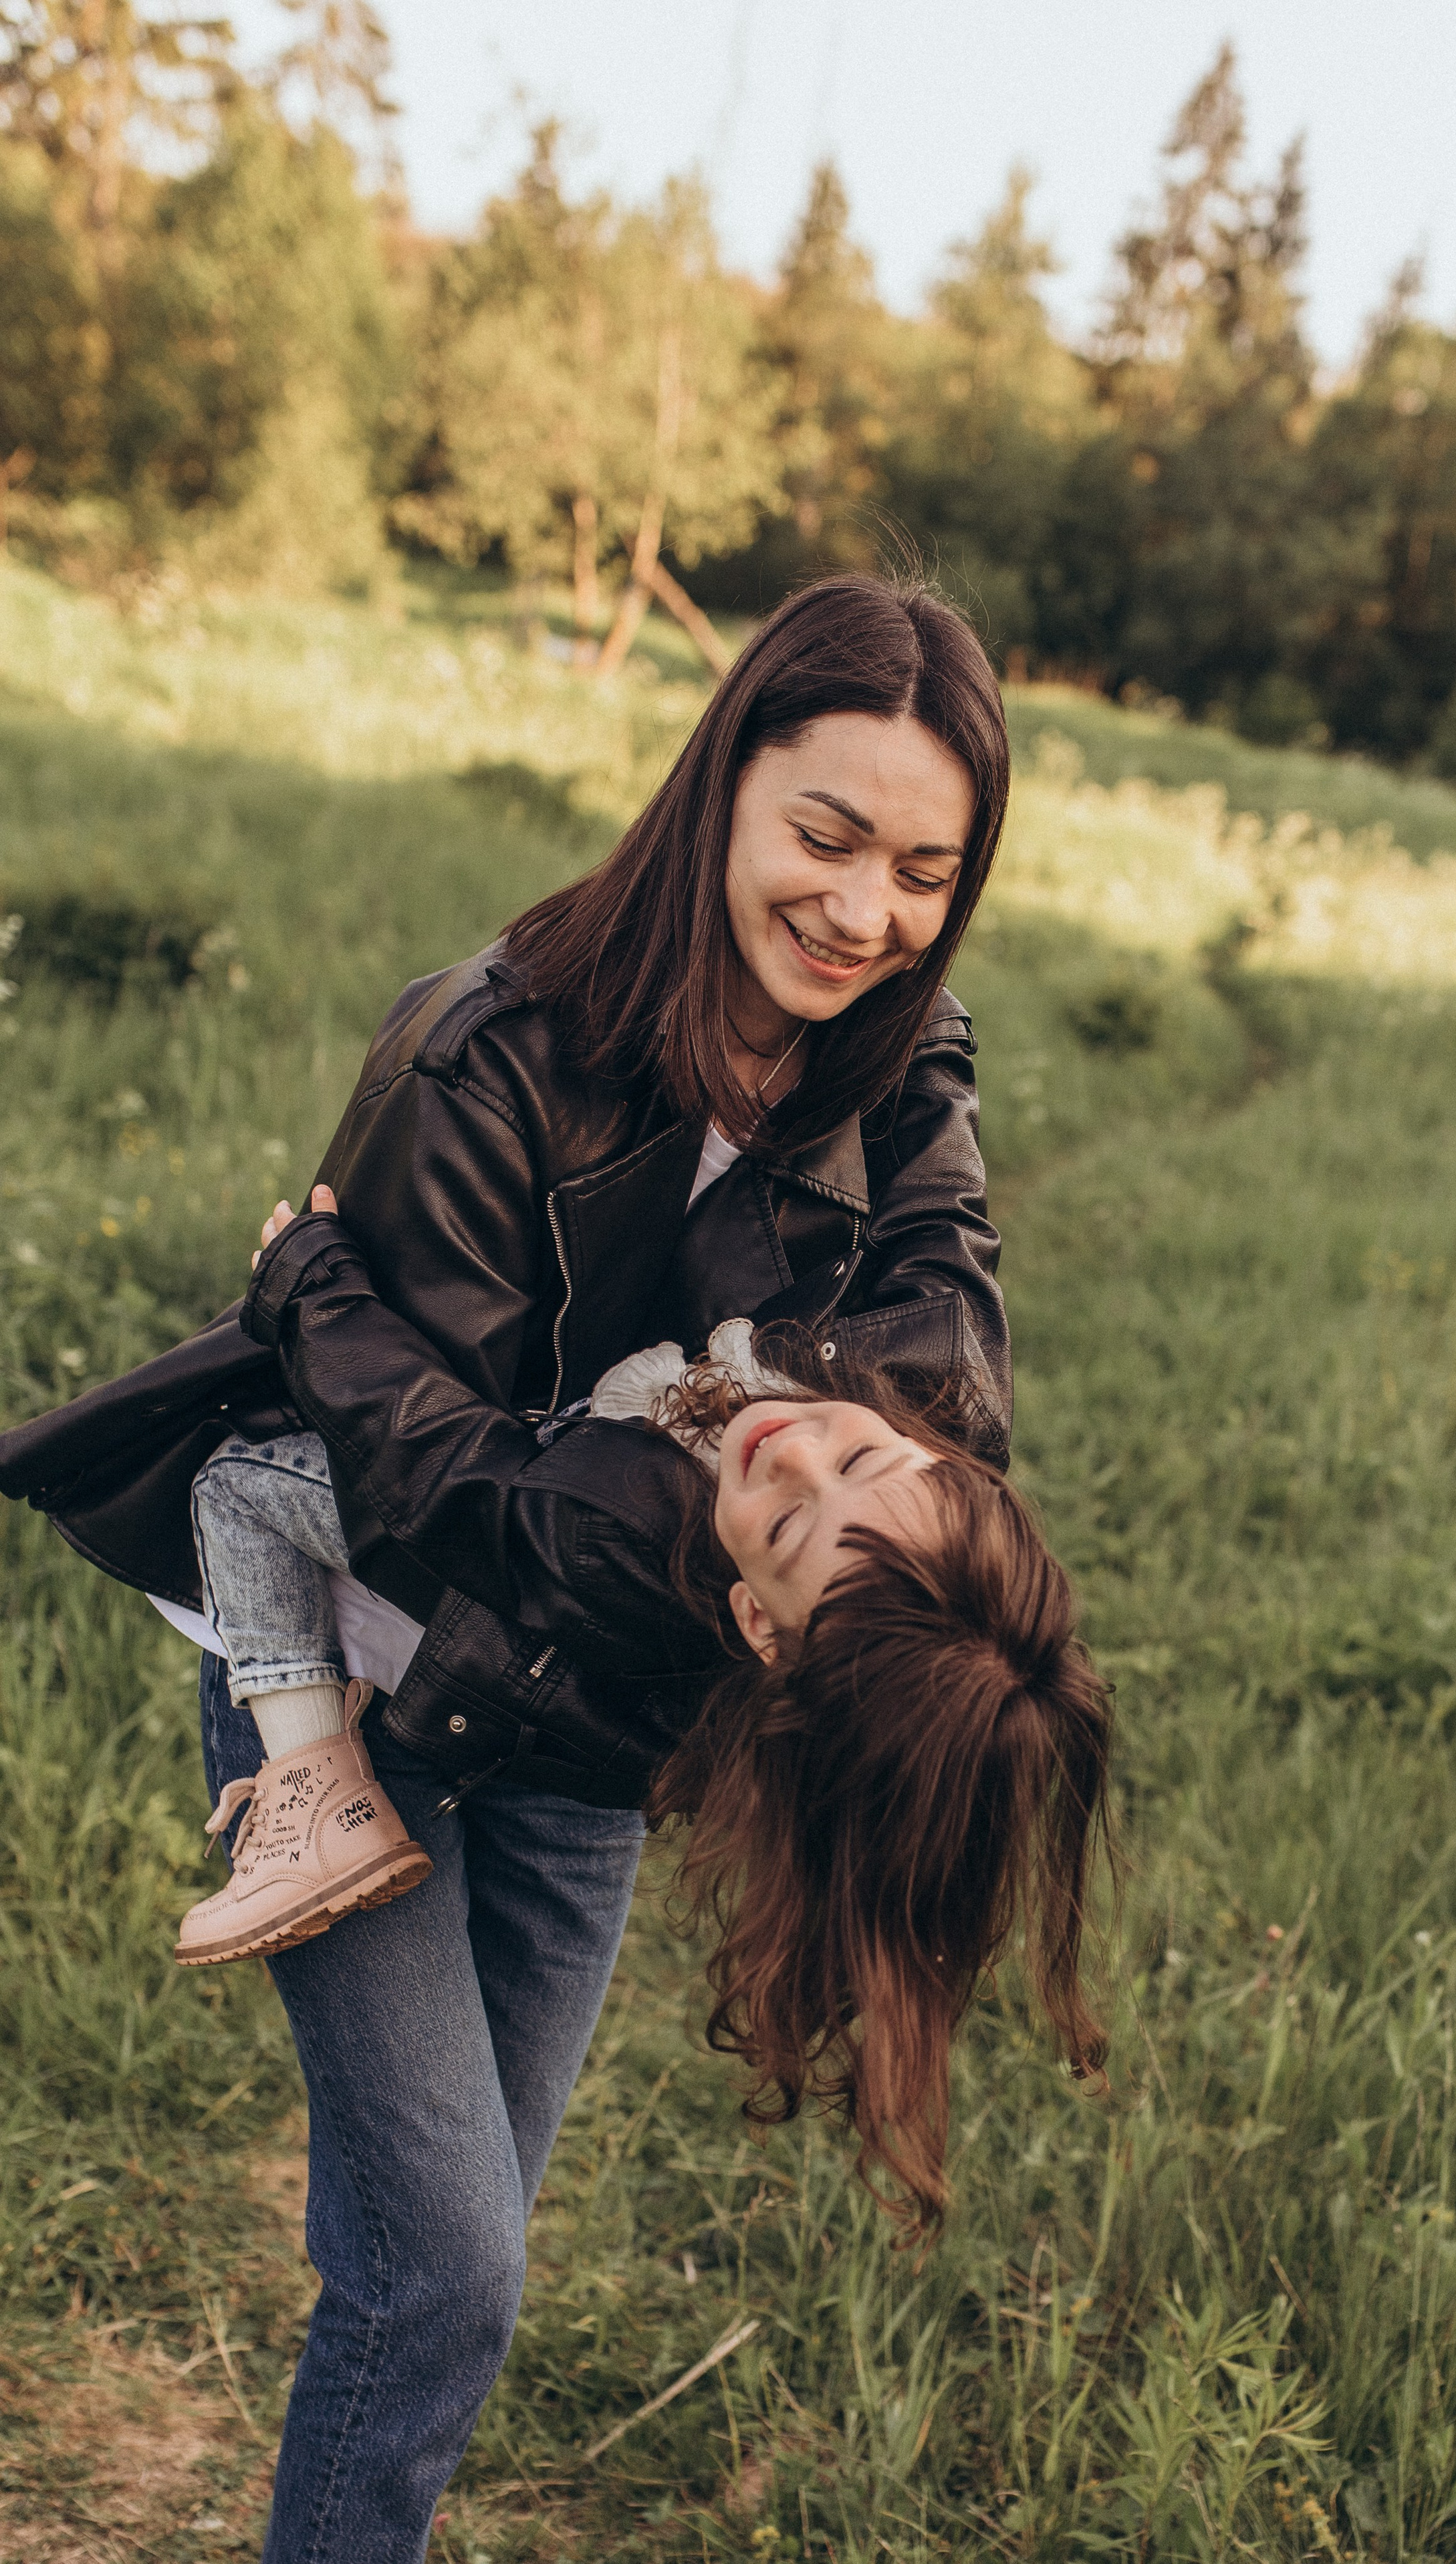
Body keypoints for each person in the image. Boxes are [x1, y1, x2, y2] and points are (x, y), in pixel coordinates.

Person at [0, 578, 1023, 2562]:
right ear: (724, 778)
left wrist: (824, 1452)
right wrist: (754, 1503)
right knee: (447, 2278)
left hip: (594, 1741)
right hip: (375, 1679)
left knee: (452, 2236)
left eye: (923, 869)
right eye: (824, 836)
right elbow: (422, 1481)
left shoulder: (907, 1052)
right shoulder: (492, 1050)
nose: (863, 912)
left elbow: (954, 1359)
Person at [198, 1187, 1110, 2258]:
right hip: (455, 1679)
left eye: (785, 1524)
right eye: (861, 1462)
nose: (793, 1455)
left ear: (758, 1623)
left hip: (469, 1680)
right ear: (942, 1447)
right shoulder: (892, 1408)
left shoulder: (619, 1533)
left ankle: (304, 1761)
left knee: (454, 2246)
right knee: (445, 2251)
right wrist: (927, 1028)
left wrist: (315, 1283)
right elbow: (945, 1224)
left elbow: (442, 1466)